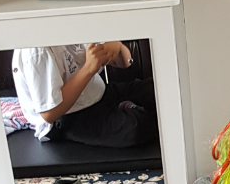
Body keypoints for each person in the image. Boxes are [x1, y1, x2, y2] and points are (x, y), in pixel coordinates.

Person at [11, 42, 157, 148]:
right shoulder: (35, 51)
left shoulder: (77, 25)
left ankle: (128, 108)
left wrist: (117, 46)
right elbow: (49, 114)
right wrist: (88, 69)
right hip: (69, 115)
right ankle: (132, 110)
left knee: (154, 88)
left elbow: (126, 62)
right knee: (135, 128)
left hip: (96, 92)